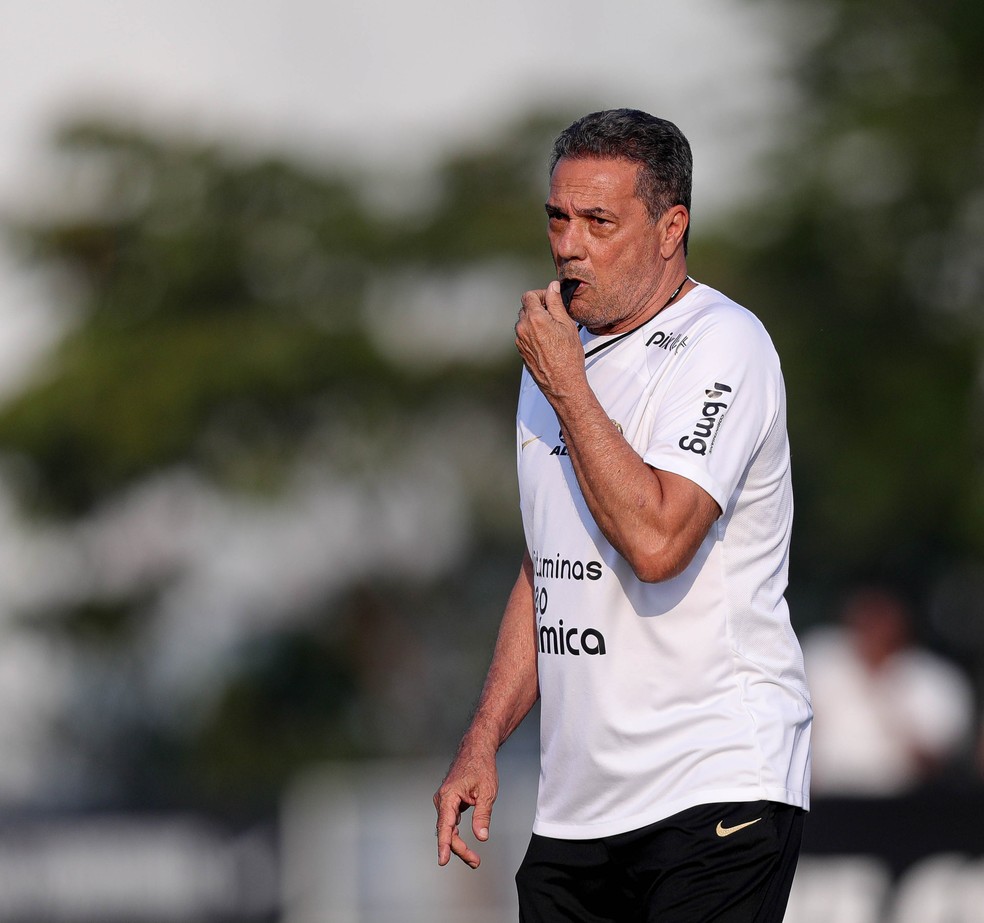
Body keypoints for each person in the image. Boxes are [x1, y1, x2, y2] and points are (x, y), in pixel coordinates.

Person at [433, 108, 813, 922]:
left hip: (714, 783)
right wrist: (484, 738)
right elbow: (549, 565)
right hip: (580, 808)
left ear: (670, 227)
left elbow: (656, 540)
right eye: (558, 218)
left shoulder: (725, 344)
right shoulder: (553, 360)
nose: (570, 243)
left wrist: (568, 384)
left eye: (600, 221)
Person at [803, 585, 974, 795]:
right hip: (824, 798)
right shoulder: (821, 656)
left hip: (901, 804)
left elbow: (936, 760)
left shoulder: (935, 679)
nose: (874, 628)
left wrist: (887, 695)